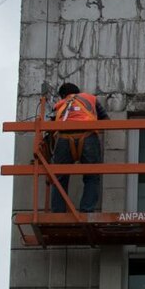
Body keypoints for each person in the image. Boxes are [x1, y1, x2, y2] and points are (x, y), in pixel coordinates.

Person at [49, 83, 109, 213]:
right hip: (88, 137)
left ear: (63, 95)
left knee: (59, 177)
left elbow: (51, 126)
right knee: (92, 175)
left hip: (64, 139)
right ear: (78, 92)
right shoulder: (90, 98)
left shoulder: (60, 105)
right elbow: (106, 119)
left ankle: (58, 212)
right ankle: (87, 209)